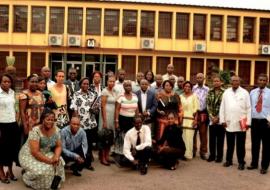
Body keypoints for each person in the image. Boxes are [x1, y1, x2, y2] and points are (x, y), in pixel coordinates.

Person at [19, 109, 65, 190]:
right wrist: (50, 161)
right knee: (41, 171)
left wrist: (56, 157)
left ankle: (52, 183)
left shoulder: (56, 130)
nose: (50, 122)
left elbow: (59, 146)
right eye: (48, 119)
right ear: (42, 120)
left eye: (52, 120)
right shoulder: (35, 131)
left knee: (58, 163)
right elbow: (35, 152)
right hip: (29, 155)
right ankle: (26, 176)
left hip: (46, 152)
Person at [220, 75, 251, 170]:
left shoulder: (245, 93)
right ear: (231, 82)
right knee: (230, 144)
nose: (235, 82)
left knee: (241, 145)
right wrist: (222, 120)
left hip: (241, 123)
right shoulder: (226, 92)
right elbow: (222, 107)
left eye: (237, 81)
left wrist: (248, 122)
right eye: (233, 81)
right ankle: (229, 160)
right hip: (229, 122)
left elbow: (249, 108)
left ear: (239, 82)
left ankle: (241, 162)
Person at [70, 77, 100, 171]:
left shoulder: (93, 94)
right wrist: (76, 122)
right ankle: (79, 162)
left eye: (87, 84)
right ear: (80, 84)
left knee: (89, 144)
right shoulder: (76, 94)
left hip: (91, 123)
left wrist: (94, 110)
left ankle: (88, 163)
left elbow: (97, 110)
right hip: (81, 123)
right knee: (80, 144)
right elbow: (74, 108)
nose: (86, 85)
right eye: (84, 84)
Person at [248, 74, 270, 174]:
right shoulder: (252, 92)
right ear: (257, 80)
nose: (261, 81)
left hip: (266, 122)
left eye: (264, 80)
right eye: (260, 80)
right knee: (255, 144)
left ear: (267, 82)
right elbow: (249, 107)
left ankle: (264, 166)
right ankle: (254, 163)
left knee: (266, 145)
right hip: (255, 121)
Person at [0, 74, 19, 184]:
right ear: (1, 82)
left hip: (12, 124)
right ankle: (1, 172)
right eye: (4, 81)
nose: (6, 83)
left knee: (12, 149)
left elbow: (14, 108)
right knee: (1, 149)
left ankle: (10, 171)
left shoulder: (12, 92)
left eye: (8, 82)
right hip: (1, 125)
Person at [114, 80, 138, 162]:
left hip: (132, 121)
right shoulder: (120, 96)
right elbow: (117, 109)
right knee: (123, 139)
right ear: (123, 87)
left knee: (131, 138)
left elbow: (137, 109)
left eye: (129, 85)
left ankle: (129, 156)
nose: (128, 87)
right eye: (126, 85)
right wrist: (116, 122)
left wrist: (138, 119)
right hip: (123, 120)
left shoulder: (135, 96)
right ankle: (122, 156)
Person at [19, 74, 45, 139]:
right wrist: (25, 126)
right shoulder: (24, 94)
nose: (34, 84)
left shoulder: (40, 93)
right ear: (28, 82)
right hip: (29, 125)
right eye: (32, 82)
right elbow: (22, 111)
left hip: (39, 123)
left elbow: (42, 107)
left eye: (36, 82)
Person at [206, 76, 225, 163]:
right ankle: (212, 155)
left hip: (220, 119)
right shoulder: (210, 91)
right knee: (212, 138)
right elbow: (208, 105)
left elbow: (224, 106)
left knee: (220, 139)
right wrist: (211, 116)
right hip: (212, 119)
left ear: (221, 82)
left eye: (218, 81)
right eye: (214, 81)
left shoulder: (225, 92)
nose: (216, 82)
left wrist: (218, 117)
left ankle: (219, 156)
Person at [99, 76, 117, 166]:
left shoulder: (114, 91)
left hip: (112, 118)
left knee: (110, 138)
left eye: (113, 81)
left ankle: (107, 156)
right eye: (110, 81)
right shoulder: (104, 91)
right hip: (106, 117)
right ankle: (102, 158)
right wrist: (104, 121)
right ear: (107, 81)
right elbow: (103, 106)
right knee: (104, 138)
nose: (112, 83)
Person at [180, 81, 199, 160]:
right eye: (185, 86)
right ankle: (182, 154)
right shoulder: (180, 96)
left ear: (191, 88)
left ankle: (188, 155)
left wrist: (195, 120)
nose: (187, 88)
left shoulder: (194, 96)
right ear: (183, 87)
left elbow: (196, 109)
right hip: (182, 120)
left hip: (191, 120)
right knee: (182, 137)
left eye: (189, 86)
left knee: (189, 138)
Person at [192, 73, 209, 160]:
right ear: (196, 79)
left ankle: (203, 152)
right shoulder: (193, 88)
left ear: (204, 79)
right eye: (197, 78)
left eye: (201, 78)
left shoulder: (207, 89)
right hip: (194, 113)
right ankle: (193, 150)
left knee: (203, 133)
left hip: (203, 113)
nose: (199, 79)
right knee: (193, 133)